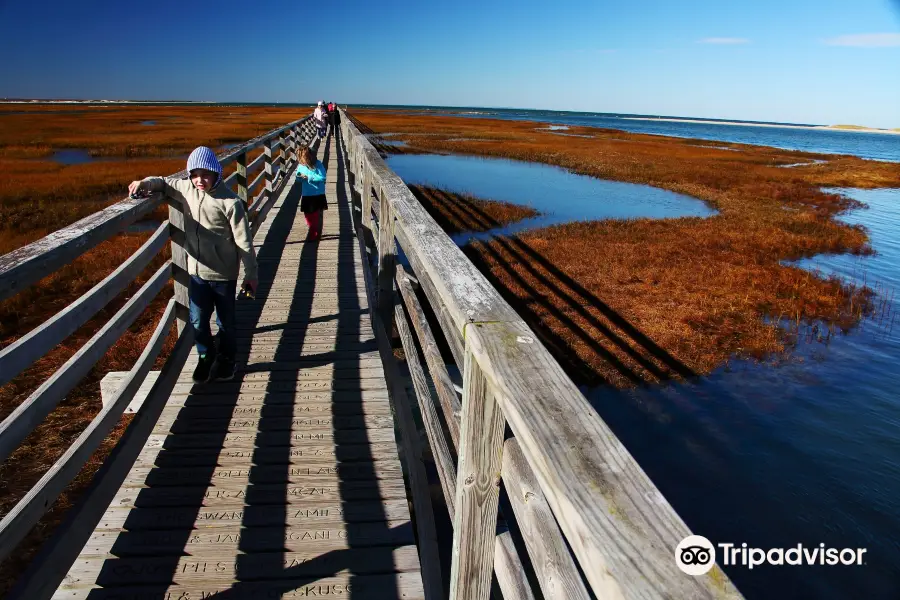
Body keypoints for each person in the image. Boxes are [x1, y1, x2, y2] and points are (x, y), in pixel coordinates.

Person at [127, 147, 258, 384]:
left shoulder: (231, 202)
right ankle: (205, 356)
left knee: (225, 322)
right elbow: (164, 183)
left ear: (217, 173)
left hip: (223, 274)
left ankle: (227, 360)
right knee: (197, 319)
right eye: (194, 174)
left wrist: (251, 274)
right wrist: (143, 183)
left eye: (205, 174)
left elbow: (244, 242)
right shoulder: (187, 187)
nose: (199, 180)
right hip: (196, 272)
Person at [295, 145, 327, 240]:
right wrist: (300, 178)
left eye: (302, 159)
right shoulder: (301, 166)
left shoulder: (318, 164)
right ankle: (313, 229)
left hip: (318, 193)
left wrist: (309, 177)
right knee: (307, 214)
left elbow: (322, 177)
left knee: (317, 214)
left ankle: (315, 232)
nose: (301, 162)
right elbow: (298, 178)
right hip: (307, 194)